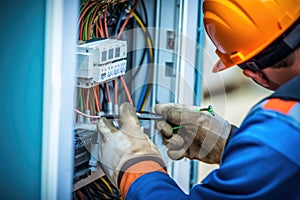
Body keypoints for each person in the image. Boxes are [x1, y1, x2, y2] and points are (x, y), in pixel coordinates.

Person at [97, 0, 300, 199]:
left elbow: (281, 152)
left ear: (251, 73)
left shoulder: (281, 131)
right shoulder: (282, 134)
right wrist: (229, 143)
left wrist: (134, 167)